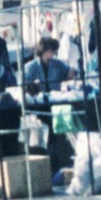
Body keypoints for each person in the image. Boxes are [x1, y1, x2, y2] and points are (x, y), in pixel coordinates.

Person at [22, 37, 77, 171]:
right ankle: (45, 162)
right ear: (44, 51)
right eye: (51, 51)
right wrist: (32, 87)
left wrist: (72, 72)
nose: (53, 54)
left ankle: (58, 161)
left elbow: (69, 72)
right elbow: (25, 84)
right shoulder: (30, 67)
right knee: (42, 135)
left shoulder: (57, 64)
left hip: (55, 103)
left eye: (54, 51)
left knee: (56, 134)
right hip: (38, 105)